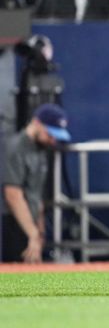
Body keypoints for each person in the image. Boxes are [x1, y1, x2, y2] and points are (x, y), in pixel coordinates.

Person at [2, 103, 71, 263]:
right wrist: (32, 233)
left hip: (29, 226)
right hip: (11, 225)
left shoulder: (40, 151)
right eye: (50, 134)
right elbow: (13, 196)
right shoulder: (16, 148)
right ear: (37, 123)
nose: (53, 140)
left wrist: (39, 230)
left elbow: (35, 194)